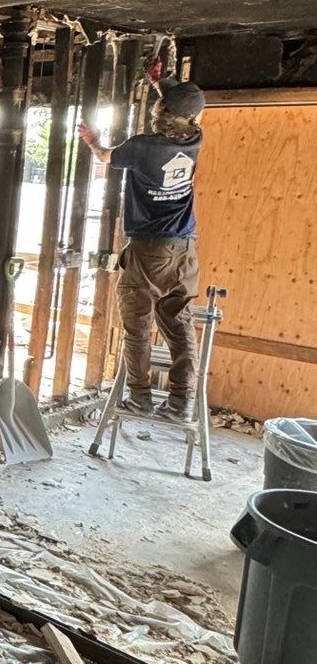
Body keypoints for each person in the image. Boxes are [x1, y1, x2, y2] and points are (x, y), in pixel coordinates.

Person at [78, 66, 206, 422]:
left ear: (160, 110)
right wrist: (158, 83)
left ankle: (139, 396)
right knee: (179, 325)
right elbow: (178, 108)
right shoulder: (195, 140)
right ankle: (182, 401)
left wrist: (91, 139)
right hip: (185, 248)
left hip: (149, 250)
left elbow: (104, 157)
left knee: (136, 324)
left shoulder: (141, 148)